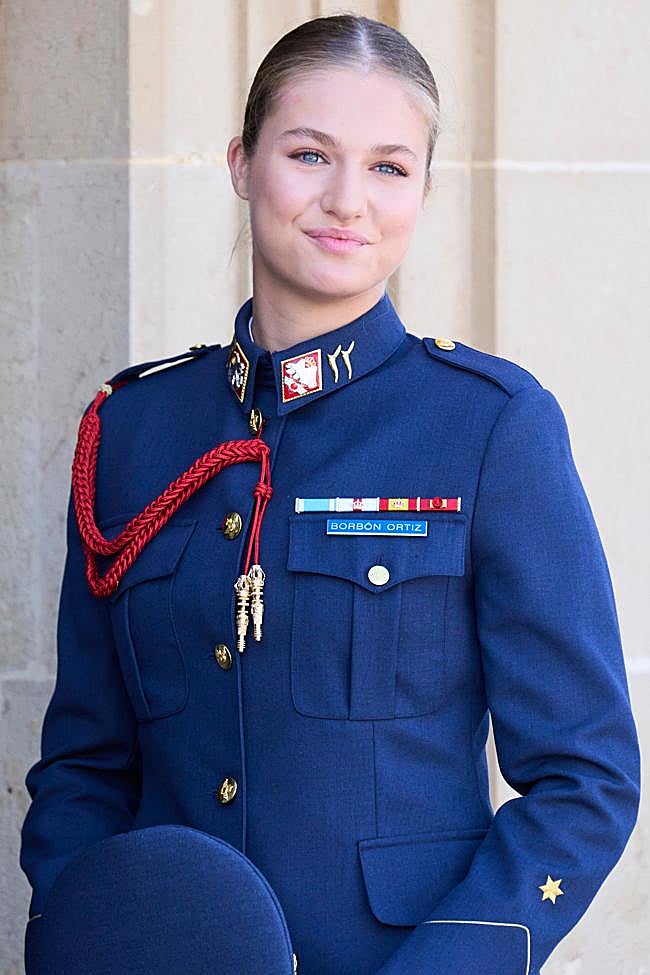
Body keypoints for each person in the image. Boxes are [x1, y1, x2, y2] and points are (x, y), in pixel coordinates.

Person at [19, 13, 640, 975]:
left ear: (424, 190)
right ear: (240, 162)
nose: (347, 200)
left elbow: (586, 777)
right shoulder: (135, 432)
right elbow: (84, 768)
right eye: (309, 154)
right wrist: (79, 935)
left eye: (390, 167)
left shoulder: (488, 427)